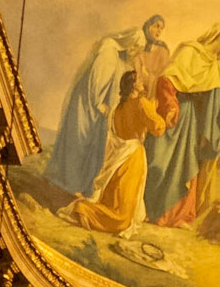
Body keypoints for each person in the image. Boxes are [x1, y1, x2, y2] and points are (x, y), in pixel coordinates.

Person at [48, 15, 165, 196]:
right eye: (135, 48)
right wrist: (98, 104)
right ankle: (69, 186)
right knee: (80, 142)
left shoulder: (123, 58)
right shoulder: (108, 51)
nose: (136, 52)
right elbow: (97, 81)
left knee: (96, 146)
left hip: (99, 109)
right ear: (129, 43)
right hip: (87, 105)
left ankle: (84, 187)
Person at [143, 25, 220, 226]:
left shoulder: (215, 66)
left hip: (192, 122)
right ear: (216, 32)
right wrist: (171, 106)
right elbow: (166, 80)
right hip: (175, 113)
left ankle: (179, 216)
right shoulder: (191, 51)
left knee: (186, 166)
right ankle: (153, 210)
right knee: (160, 164)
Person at [63, 68, 168, 234]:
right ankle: (84, 210)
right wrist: (155, 110)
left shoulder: (117, 107)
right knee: (123, 218)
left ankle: (86, 211)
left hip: (117, 158)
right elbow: (158, 128)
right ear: (133, 85)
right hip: (132, 158)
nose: (143, 83)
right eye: (140, 81)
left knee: (113, 203)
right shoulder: (141, 103)